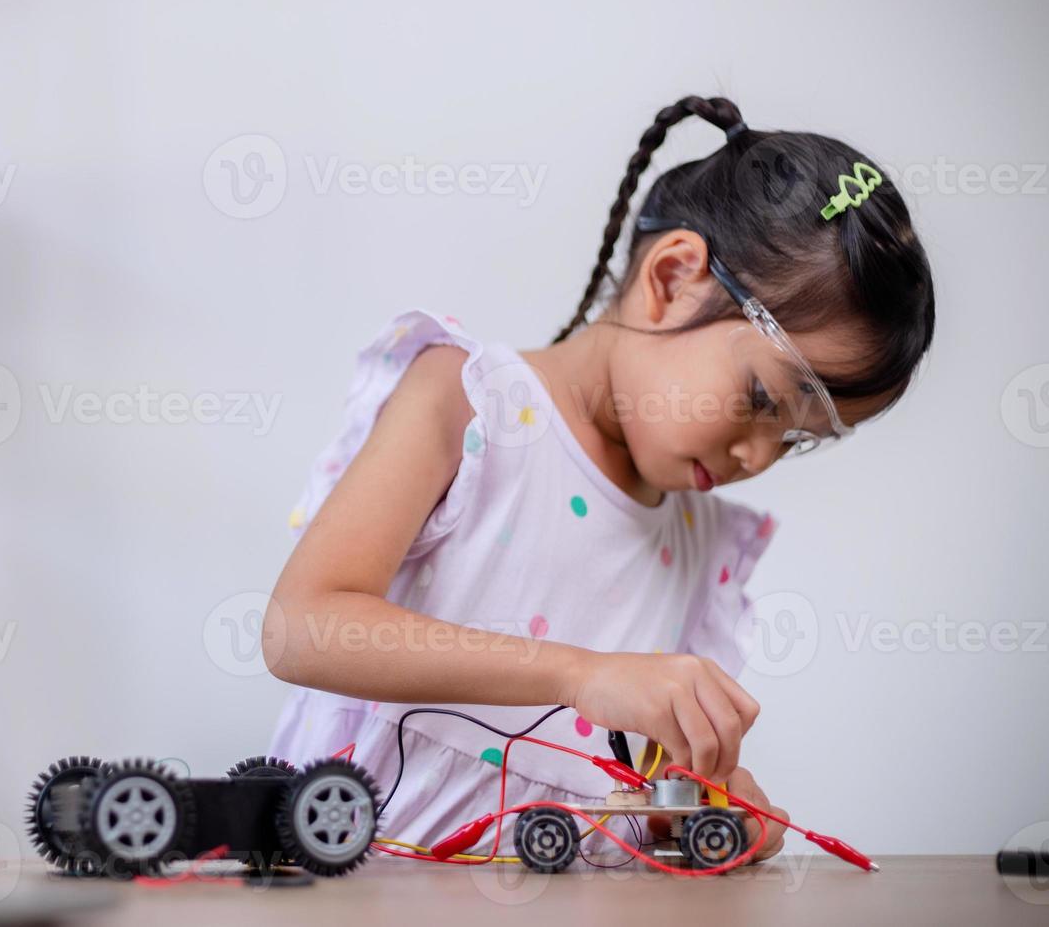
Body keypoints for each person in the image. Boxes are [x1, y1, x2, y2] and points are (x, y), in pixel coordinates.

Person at [261, 95, 935, 863]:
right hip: (362, 886)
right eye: (762, 400)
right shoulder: (466, 404)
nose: (759, 457)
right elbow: (302, 627)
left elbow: (625, 787)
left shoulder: (697, 541)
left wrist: (703, 806)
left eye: (796, 440)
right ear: (674, 278)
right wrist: (579, 675)